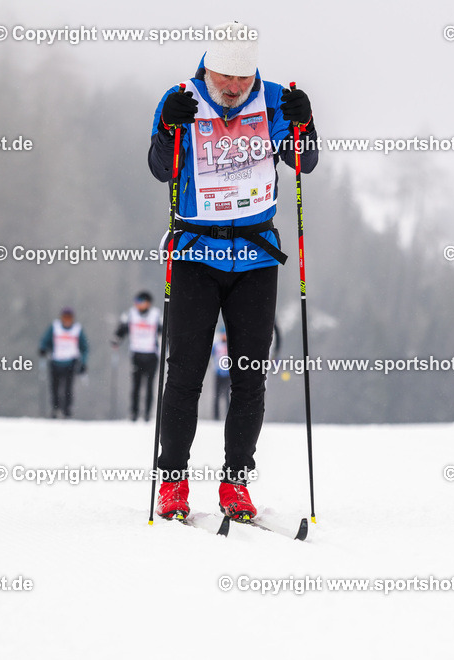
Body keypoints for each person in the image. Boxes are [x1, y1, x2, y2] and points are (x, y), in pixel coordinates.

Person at [147, 21, 319, 520]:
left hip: (255, 257)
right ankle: (173, 483)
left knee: (250, 376)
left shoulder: (273, 100)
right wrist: (167, 130)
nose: (232, 91)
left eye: (241, 83)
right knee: (185, 374)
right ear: (208, 67)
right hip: (196, 255)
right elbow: (161, 168)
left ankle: (236, 483)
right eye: (225, 80)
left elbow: (304, 164)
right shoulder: (181, 98)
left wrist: (305, 124)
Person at [111, 291, 162, 422]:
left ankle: (147, 414)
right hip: (136, 354)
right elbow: (121, 330)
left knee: (150, 386)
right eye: (136, 301)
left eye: (141, 301)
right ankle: (134, 412)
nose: (138, 304)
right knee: (136, 386)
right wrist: (117, 339)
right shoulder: (130, 314)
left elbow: (164, 330)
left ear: (148, 303)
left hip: (151, 355)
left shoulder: (156, 315)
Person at [39, 307, 89, 418]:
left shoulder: (77, 329)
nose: (67, 320)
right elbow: (45, 340)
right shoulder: (55, 327)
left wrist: (83, 363)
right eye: (64, 317)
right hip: (55, 361)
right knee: (54, 387)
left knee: (68, 388)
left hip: (70, 362)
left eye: (69, 318)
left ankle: (67, 409)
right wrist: (43, 348)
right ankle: (55, 408)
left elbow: (84, 348)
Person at [211, 329, 230, 420]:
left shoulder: (230, 345)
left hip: (228, 373)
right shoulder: (217, 345)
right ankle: (216, 416)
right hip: (218, 372)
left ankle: (228, 415)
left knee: (227, 396)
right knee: (216, 395)